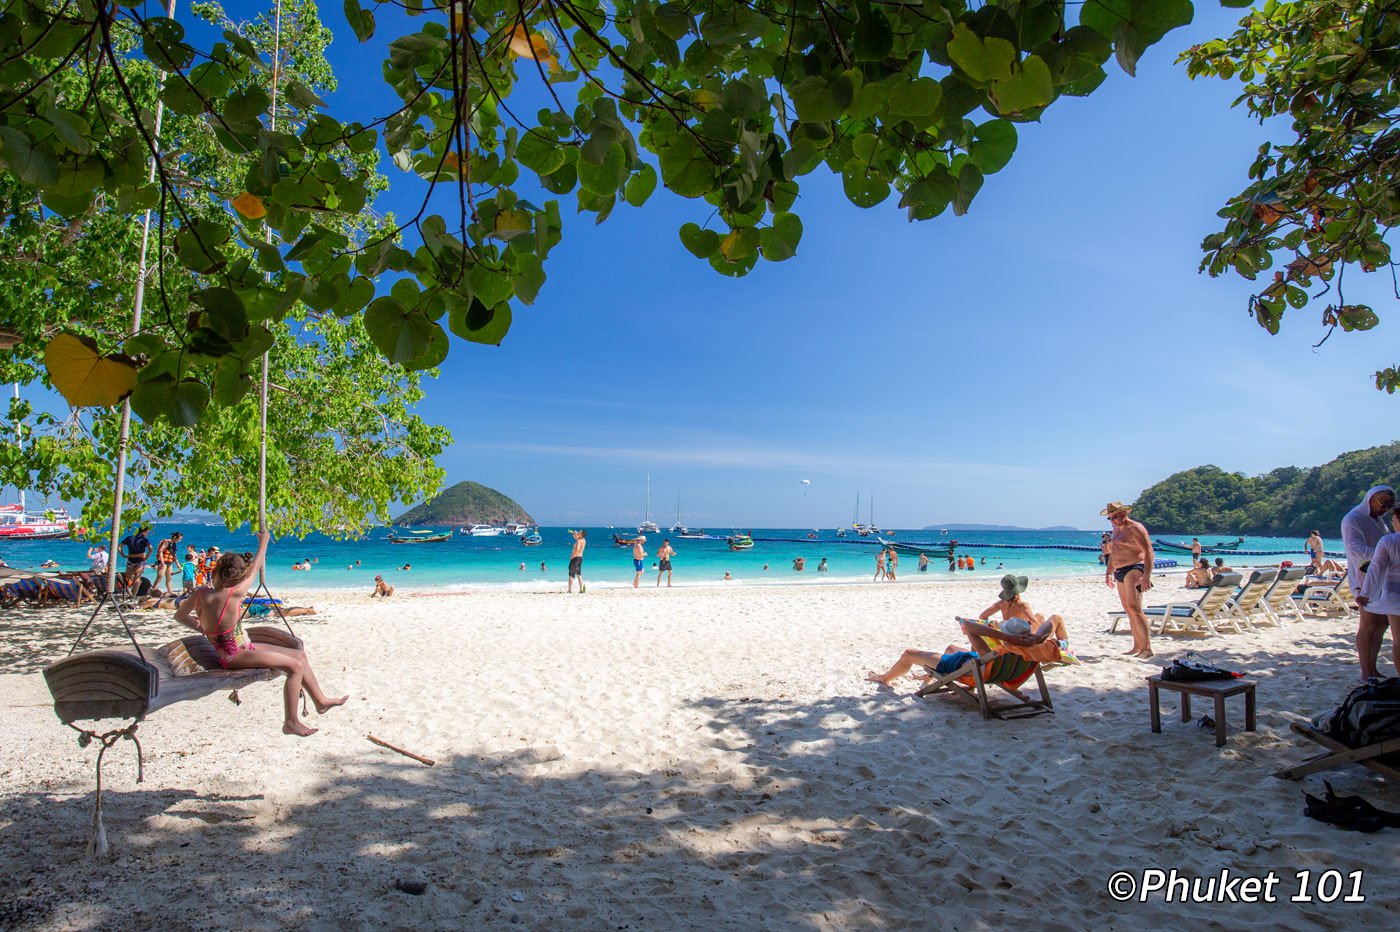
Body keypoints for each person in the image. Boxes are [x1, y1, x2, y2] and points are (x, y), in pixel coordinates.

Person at [174, 530, 345, 736]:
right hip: (235, 656)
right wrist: (264, 542)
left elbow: (180, 616)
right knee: (295, 667)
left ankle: (320, 701)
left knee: (299, 654)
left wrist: (204, 629)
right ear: (238, 578)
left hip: (239, 648)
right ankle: (290, 721)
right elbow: (256, 567)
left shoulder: (200, 593)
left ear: (215, 571)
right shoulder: (234, 594)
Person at [1344, 485, 1397, 680]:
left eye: (1389, 506)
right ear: (1370, 500)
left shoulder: (1378, 521)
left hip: (1380, 577)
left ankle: (1373, 669)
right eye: (1383, 504)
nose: (1385, 509)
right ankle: (1367, 671)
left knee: (1381, 624)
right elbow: (1354, 549)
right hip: (1363, 577)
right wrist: (1385, 554)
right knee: (1368, 624)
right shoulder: (1353, 519)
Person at [1102, 501, 1154, 658]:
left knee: (1135, 608)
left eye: (1115, 517)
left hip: (1134, 568)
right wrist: (1109, 571)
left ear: (1124, 514)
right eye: (1110, 518)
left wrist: (1146, 576)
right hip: (1119, 570)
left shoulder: (1135, 528)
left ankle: (1147, 648)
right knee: (1128, 609)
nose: (1113, 520)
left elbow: (1149, 552)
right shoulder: (1116, 529)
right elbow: (1113, 552)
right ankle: (1137, 645)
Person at [1358, 506, 1400, 678]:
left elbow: (1376, 569)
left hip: (1395, 597)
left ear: (1397, 520)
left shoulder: (1389, 541)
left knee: (1398, 641)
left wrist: (1366, 593)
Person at [118, 523, 153, 589]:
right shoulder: (144, 540)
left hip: (130, 559)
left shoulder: (130, 538)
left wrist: (123, 555)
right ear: (145, 531)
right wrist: (146, 558)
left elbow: (119, 547)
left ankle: (127, 593)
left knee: (127, 578)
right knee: (137, 579)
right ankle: (133, 596)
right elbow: (151, 549)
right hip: (140, 560)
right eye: (147, 532)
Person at [567, 529, 587, 594]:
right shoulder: (583, 540)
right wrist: (574, 533)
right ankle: (581, 590)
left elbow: (577, 549)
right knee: (578, 574)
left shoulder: (579, 541)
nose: (578, 532)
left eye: (579, 532)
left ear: (581, 534)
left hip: (575, 558)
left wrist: (572, 556)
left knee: (570, 574)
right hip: (580, 558)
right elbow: (576, 538)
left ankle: (569, 590)